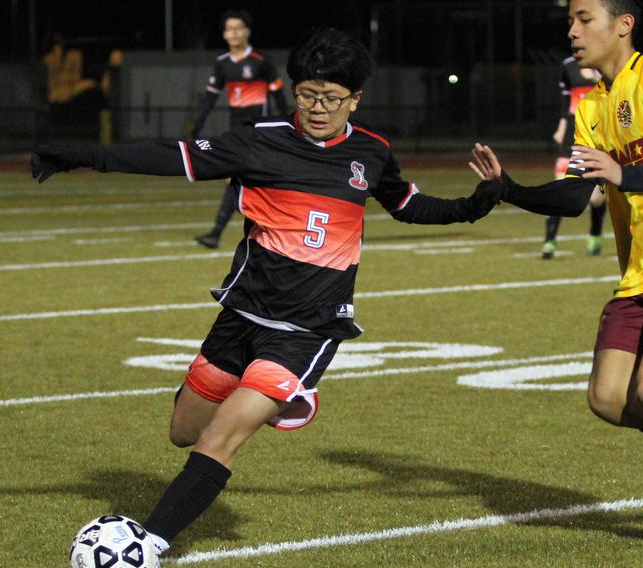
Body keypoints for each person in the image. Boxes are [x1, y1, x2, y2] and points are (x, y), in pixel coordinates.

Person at [32, 27, 502, 560]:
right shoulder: (260, 138)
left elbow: (409, 204)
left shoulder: (371, 153)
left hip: (308, 329)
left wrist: (475, 203)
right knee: (184, 431)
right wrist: (84, 154)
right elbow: (173, 156)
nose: (318, 107)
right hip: (242, 314)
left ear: (355, 99)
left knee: (221, 439)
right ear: (292, 89)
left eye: (332, 98)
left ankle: (150, 544)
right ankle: (273, 398)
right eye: (307, 94)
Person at [470, 0, 643, 556]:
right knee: (608, 399)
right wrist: (510, 190)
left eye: (584, 19)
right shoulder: (592, 108)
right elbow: (580, 197)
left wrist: (626, 172)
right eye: (571, 21)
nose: (571, 30)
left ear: (623, 25)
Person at [192, 10, 290, 249]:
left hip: (262, 130)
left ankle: (219, 232)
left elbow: (278, 95)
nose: (233, 33)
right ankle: (218, 233)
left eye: (238, 28)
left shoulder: (261, 61)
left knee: (245, 179)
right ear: (224, 34)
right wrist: (198, 124)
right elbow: (210, 98)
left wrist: (287, 124)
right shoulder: (222, 64)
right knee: (238, 179)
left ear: (247, 31)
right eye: (229, 29)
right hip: (237, 131)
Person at [542, 58, 607, 260]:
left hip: (598, 135)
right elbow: (565, 99)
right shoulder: (568, 65)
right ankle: (549, 243)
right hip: (572, 134)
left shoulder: (606, 62)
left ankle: (595, 235)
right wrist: (561, 126)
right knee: (559, 190)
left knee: (596, 198)